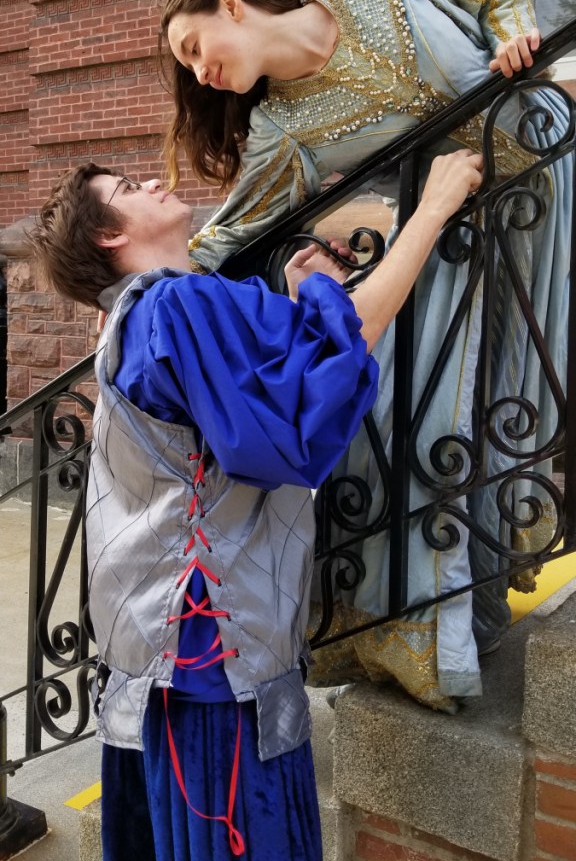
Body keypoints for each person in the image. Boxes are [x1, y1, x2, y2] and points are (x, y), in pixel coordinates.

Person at [30, 150, 482, 861]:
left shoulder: (141, 317)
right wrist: (429, 211)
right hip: (212, 655)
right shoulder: (175, 304)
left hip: (173, 651)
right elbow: (296, 418)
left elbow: (284, 366)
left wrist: (306, 297)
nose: (151, 180)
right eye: (126, 187)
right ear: (108, 237)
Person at [157, 0, 573, 710]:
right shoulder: (282, 134)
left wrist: (516, 33)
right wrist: (145, 284)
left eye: (193, 46)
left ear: (231, 3)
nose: (198, 70)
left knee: (540, 386)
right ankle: (424, 628)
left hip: (561, 169)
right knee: (428, 418)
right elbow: (227, 238)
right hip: (477, 236)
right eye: (189, 67)